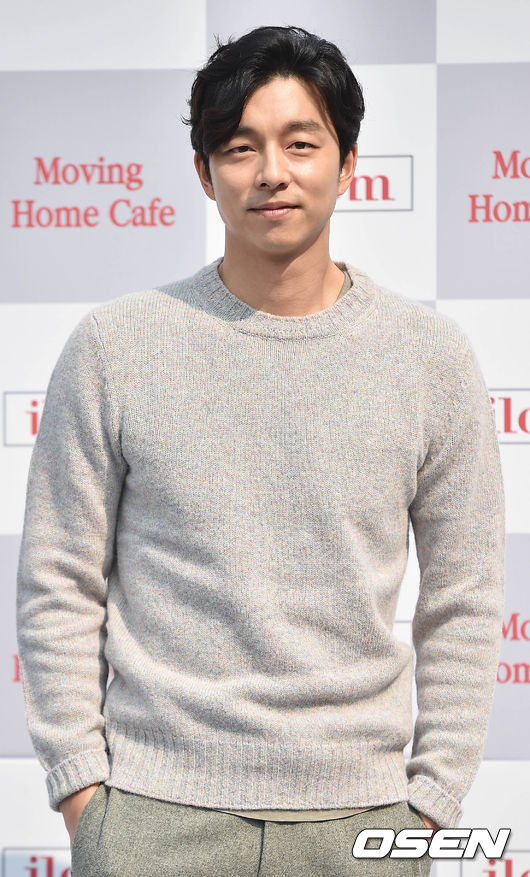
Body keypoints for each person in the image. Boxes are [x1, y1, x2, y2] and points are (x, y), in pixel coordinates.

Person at [16, 24, 505, 877]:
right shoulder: (117, 347)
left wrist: (430, 802)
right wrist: (84, 796)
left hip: (363, 821)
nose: (272, 171)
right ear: (204, 172)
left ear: (348, 164)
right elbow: (58, 578)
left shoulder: (431, 359)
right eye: (240, 147)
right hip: (151, 817)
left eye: (300, 143)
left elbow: (465, 598)